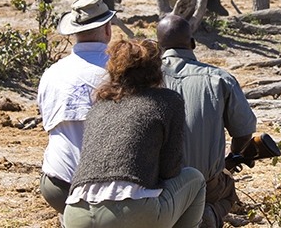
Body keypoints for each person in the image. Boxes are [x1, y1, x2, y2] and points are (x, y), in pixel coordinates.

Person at [64, 39, 206, 228]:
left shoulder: (98, 107)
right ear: (156, 70)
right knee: (195, 179)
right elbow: (170, 169)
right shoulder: (167, 100)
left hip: (75, 213)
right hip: (130, 212)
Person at [156, 15, 258, 228]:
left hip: (154, 187)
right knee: (228, 190)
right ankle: (207, 215)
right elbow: (243, 133)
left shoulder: (145, 80)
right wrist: (232, 160)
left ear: (158, 47)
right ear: (193, 44)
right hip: (204, 186)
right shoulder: (219, 78)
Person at [37, 0, 116, 215]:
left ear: (73, 33)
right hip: (108, 189)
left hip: (58, 185)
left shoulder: (51, 74)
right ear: (108, 29)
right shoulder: (121, 71)